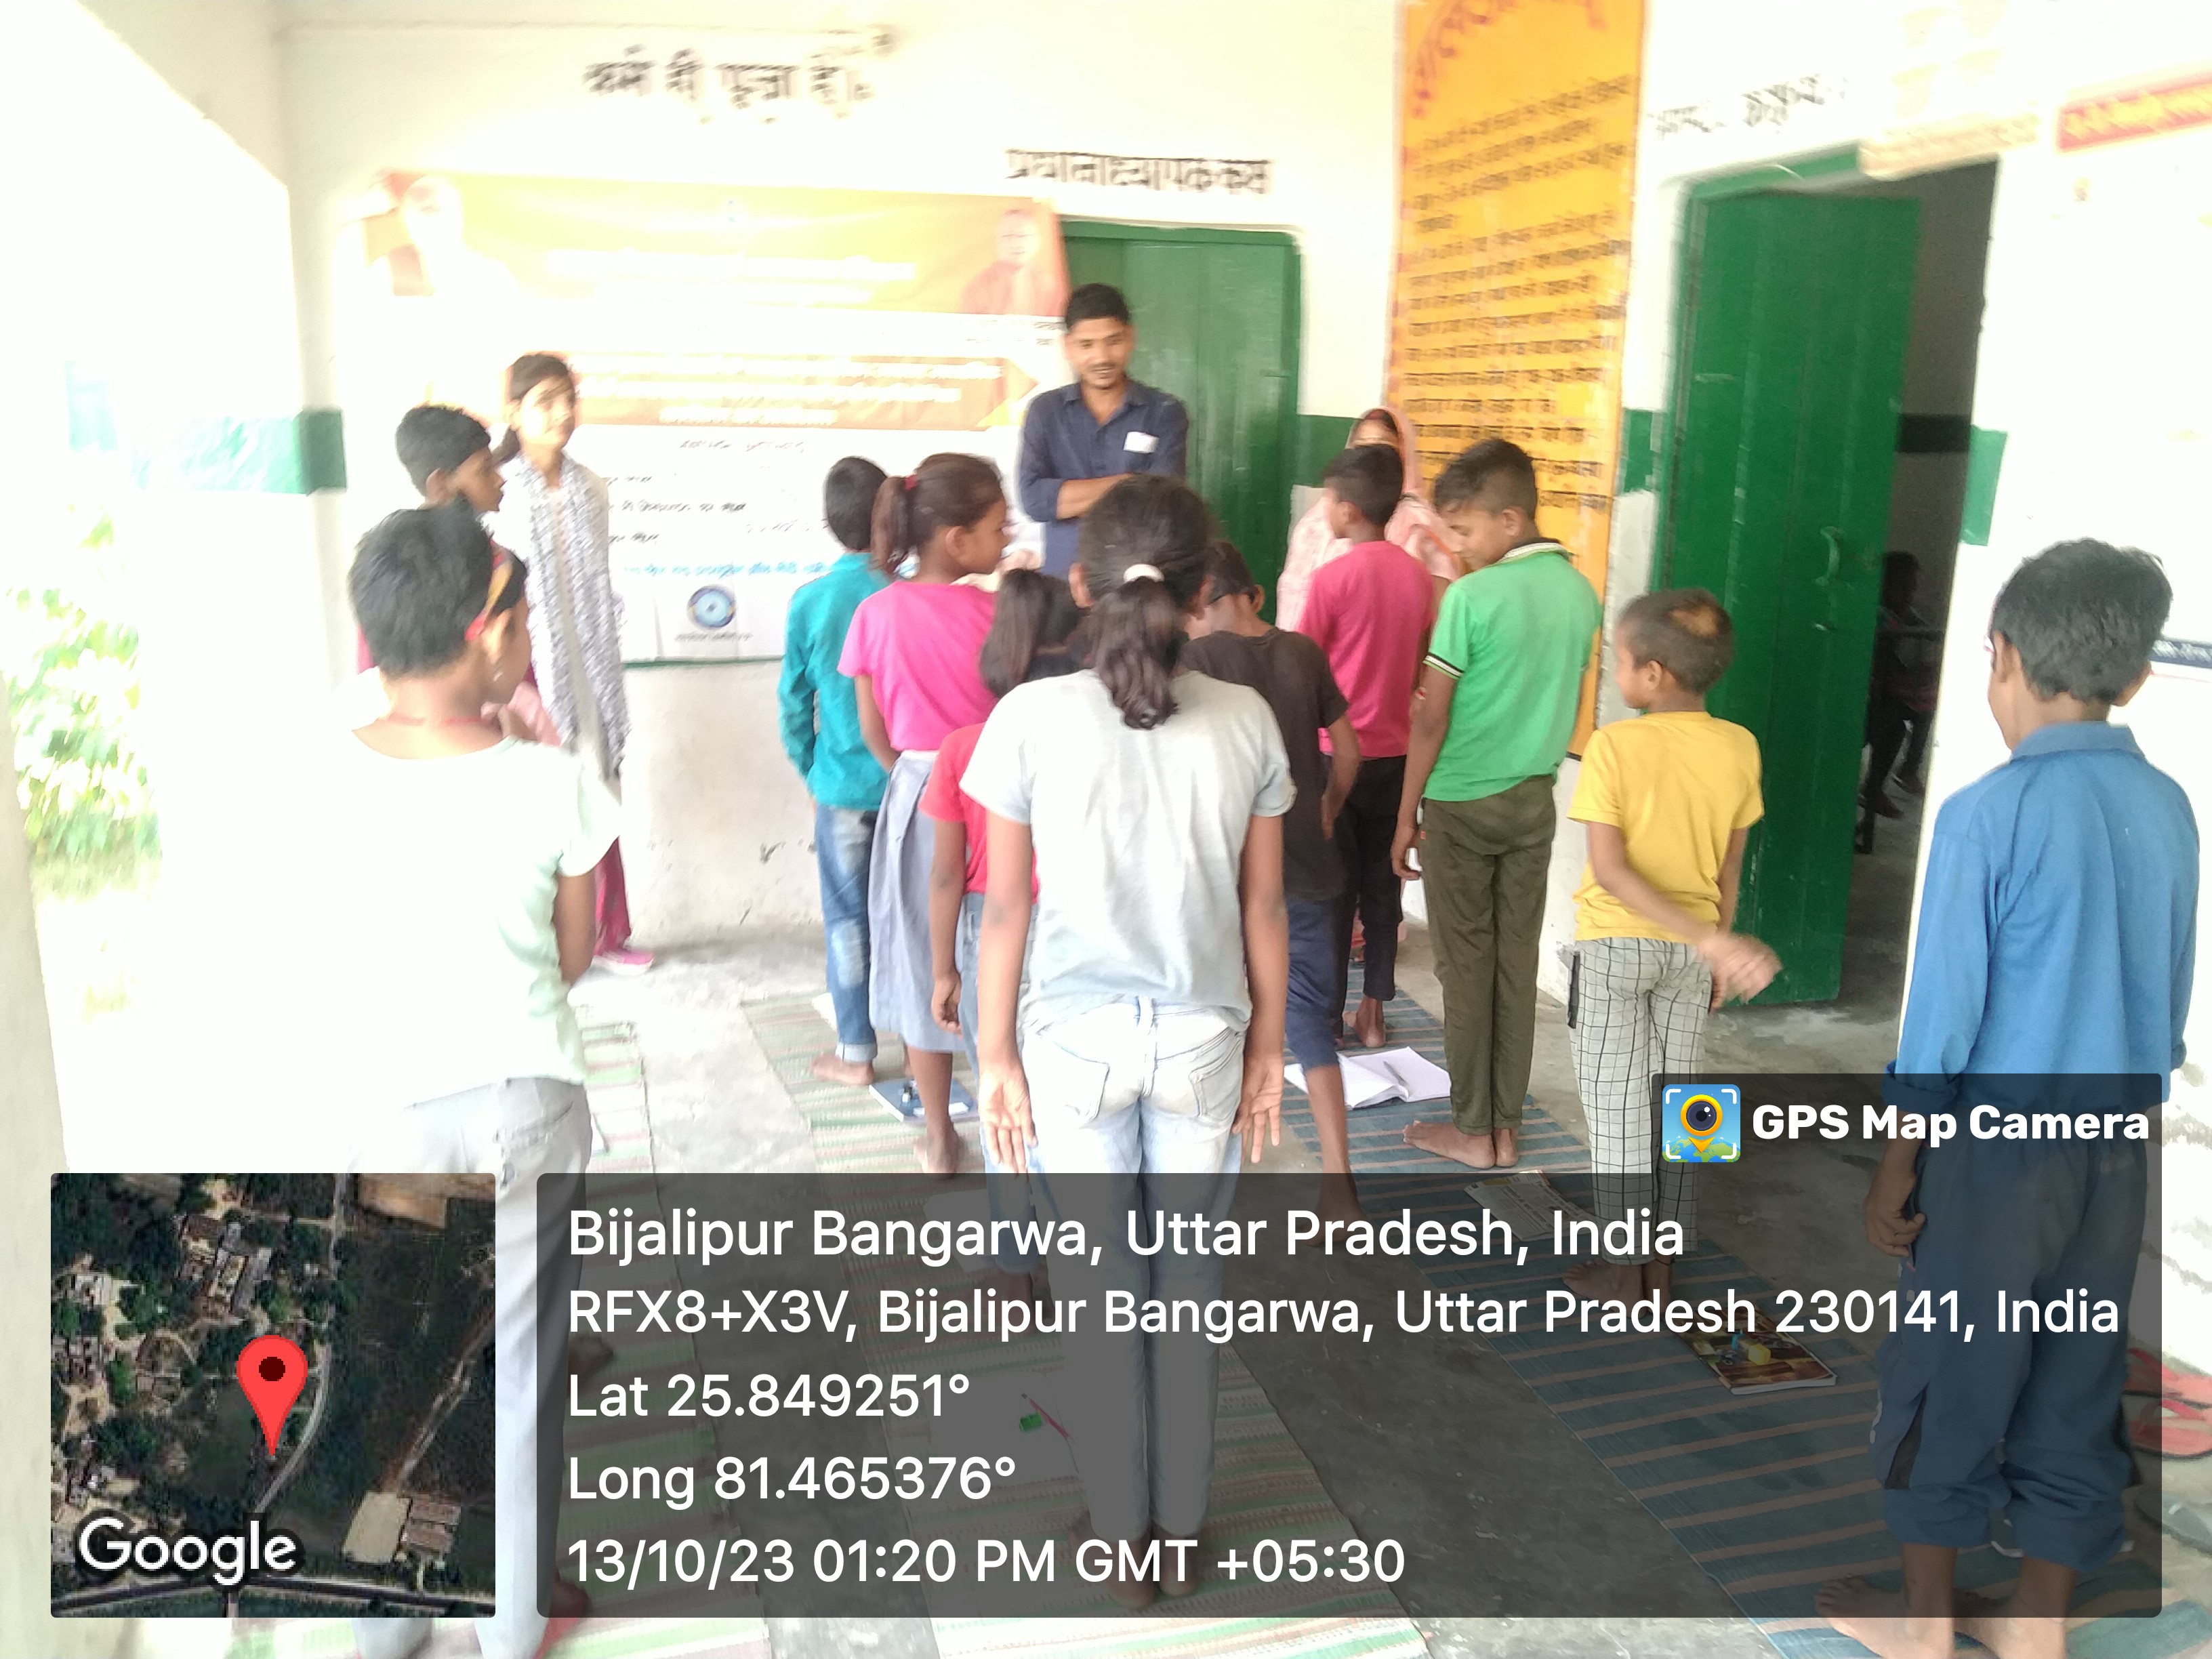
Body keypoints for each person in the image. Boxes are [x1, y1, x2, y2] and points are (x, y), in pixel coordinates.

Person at [1820, 540, 2196, 1659]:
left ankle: (1926, 1626)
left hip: (1996, 1155)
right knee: (2076, 1372)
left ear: (1999, 655)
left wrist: (1897, 1165)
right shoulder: (2168, 806)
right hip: (2112, 1148)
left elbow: (1942, 1018)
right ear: (2136, 677)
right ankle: (2035, 1625)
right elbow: (2165, 996)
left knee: (1948, 1371)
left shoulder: (1988, 812)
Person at [964, 474, 1290, 1607]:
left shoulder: (1026, 719)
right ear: (1203, 594)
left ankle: (1118, 1540)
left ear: (1078, 585)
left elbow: (1003, 911)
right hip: (1206, 1042)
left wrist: (993, 1060)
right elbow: (1263, 906)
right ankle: (1181, 1534)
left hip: (1071, 1046)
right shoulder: (1247, 720)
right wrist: (1266, 1052)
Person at [329, 504, 615, 1659]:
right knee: (519, 1375)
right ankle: (512, 1624)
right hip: (525, 1099)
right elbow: (573, 955)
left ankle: (384, 1627)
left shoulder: (318, 774)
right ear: (485, 632)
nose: (527, 638)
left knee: (396, 1369)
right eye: (523, 618)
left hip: (388, 1106)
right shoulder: (551, 782)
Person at [1559, 589, 1777, 1307]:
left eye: (1619, 661)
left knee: (1618, 1115)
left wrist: (1712, 941)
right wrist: (1714, 945)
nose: (1615, 671)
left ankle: (1626, 1276)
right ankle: (1664, 1269)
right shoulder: (1739, 746)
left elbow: (1611, 871)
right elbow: (1729, 867)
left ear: (1652, 675)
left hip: (1616, 951)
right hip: (1690, 955)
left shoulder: (1614, 746)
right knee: (1689, 1113)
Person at [1393, 438, 1601, 1171]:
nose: (1458, 547)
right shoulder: (1580, 593)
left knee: (1464, 967)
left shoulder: (1471, 599)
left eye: (1465, 530)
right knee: (1514, 965)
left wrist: (1405, 814)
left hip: (1460, 802)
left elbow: (1431, 718)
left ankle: (1474, 1132)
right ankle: (1504, 1125)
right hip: (1534, 800)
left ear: (1510, 520)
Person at [839, 454, 1008, 1174]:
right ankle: (1010, 1127)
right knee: (999, 953)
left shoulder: (874, 613)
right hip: (999, 798)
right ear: (957, 540)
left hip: (915, 794)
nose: (1007, 539)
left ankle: (940, 1138)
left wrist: (914, 778)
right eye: (999, 527)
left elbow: (872, 729)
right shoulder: (999, 614)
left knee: (919, 962)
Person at [1187, 539, 1363, 1221]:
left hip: (1230, 873)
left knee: (1221, 1019)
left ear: (1199, 605)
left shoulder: (1199, 660)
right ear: (1255, 594)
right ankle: (1340, 1185)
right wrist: (1327, 808)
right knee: (1310, 1022)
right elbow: (1348, 751)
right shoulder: (1303, 652)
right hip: (1308, 870)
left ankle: (1215, 1185)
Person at [923, 569, 1084, 1300]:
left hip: (987, 931)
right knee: (1070, 1094)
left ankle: (1019, 1268)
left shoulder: (962, 748)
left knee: (1000, 1092)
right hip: (1077, 927)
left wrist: (944, 971)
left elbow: (945, 877)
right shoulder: (1098, 740)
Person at [493, 352, 653, 974]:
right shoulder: (499, 492)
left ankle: (607, 934)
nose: (561, 413)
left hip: (591, 673)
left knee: (598, 798)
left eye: (568, 399)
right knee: (540, 810)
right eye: (545, 402)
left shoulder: (592, 487)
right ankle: (546, 942)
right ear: (514, 412)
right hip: (530, 675)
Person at [1296, 442, 1439, 1052]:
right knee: (1384, 888)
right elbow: (1422, 663)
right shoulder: (1419, 579)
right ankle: (1374, 1011)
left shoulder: (1331, 579)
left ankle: (1328, 1016)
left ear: (1349, 510)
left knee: (1333, 893)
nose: (1326, 509)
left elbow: (1304, 667)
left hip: (1336, 757)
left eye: (1329, 500)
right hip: (1398, 758)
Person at [779, 456, 890, 1088]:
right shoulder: (907, 595)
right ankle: (930, 1038)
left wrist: (813, 770)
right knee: (914, 916)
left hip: (842, 787)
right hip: (911, 787)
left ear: (830, 523)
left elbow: (795, 704)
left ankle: (856, 1051)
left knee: (849, 920)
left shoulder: (811, 602)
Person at [1017, 283, 1189, 578]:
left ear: (1131, 337)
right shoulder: (1045, 412)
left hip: (1137, 585)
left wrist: (1068, 498)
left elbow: (1160, 502)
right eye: (1086, 345)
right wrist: (1130, 482)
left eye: (1113, 341)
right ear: (1068, 347)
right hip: (1062, 583)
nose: (1101, 358)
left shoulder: (1164, 412)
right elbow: (1035, 500)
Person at [1276, 404, 1457, 632]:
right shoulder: (1318, 518)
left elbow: (1438, 615)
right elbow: (1293, 593)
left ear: (1404, 455)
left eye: (1383, 447)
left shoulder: (1420, 526)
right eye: (1361, 446)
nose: (1370, 457)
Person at [1862, 551, 1945, 816]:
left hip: (1886, 684)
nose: (1909, 595)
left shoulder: (1902, 612)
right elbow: (1880, 660)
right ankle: (1874, 789)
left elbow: (1928, 632)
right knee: (1894, 727)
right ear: (1885, 585)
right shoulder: (1876, 612)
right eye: (1904, 588)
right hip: (1869, 691)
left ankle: (1906, 771)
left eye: (1912, 588)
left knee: (1927, 706)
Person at [960, 203, 1069, 318]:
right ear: (996, 242)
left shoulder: (1049, 285)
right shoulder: (978, 286)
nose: (1016, 243)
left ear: (1037, 242)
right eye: (1008, 236)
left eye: (1023, 236)